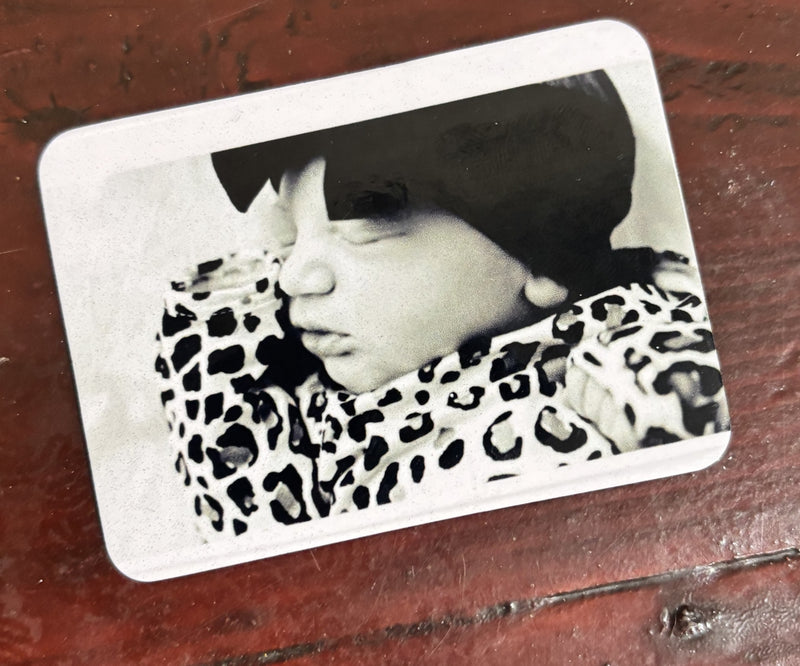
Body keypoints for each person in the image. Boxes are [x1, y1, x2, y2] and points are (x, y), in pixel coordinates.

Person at [156, 71, 728, 539]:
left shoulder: (621, 373)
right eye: (287, 238)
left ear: (545, 260)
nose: (294, 276)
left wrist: (662, 409)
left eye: (363, 232)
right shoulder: (283, 399)